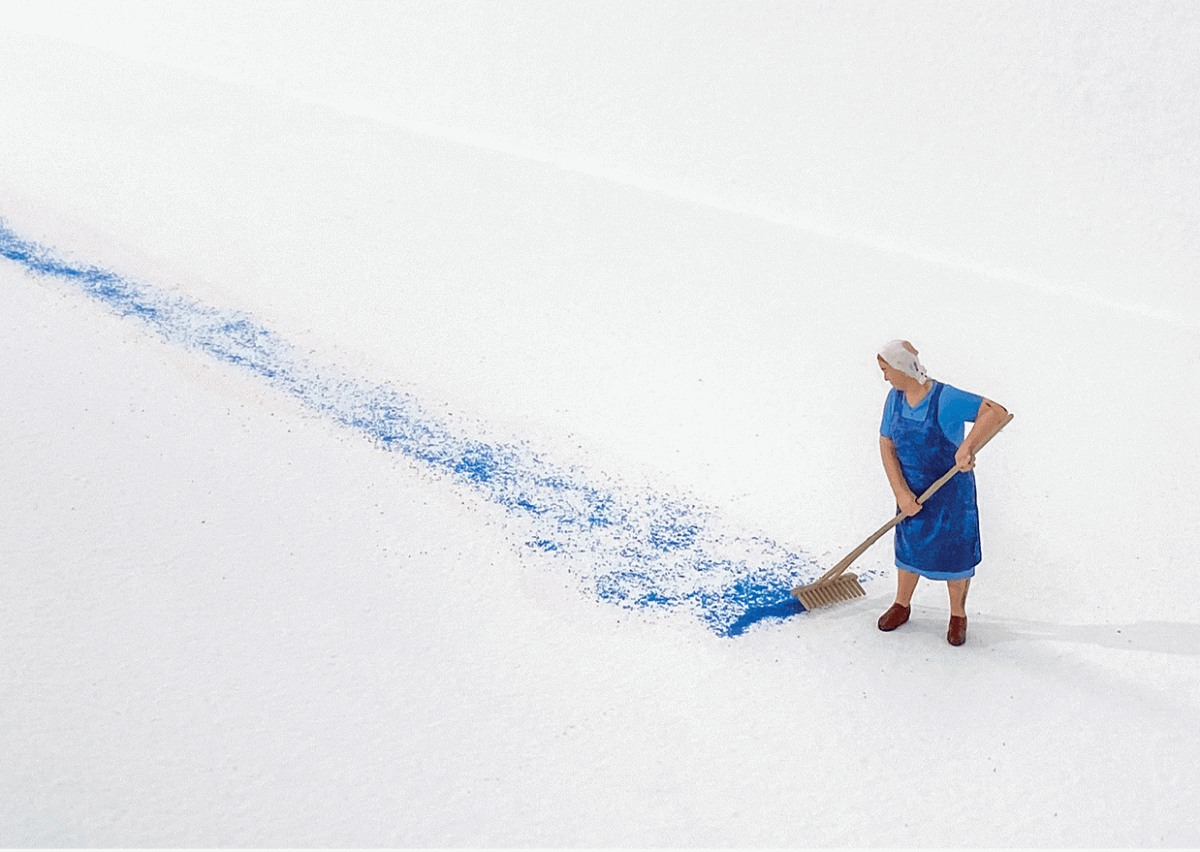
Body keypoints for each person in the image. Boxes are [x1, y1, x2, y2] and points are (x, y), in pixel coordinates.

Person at [875, 340, 1008, 646]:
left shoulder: (945, 398)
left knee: (954, 557)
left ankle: (958, 615)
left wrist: (967, 446)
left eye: (886, 370)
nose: (885, 378)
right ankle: (901, 604)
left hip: (950, 499)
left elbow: (995, 411)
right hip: (912, 496)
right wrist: (901, 493)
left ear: (900, 367)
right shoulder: (893, 401)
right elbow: (886, 444)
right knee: (908, 552)